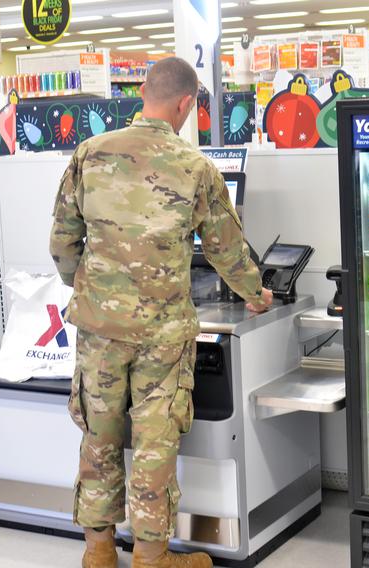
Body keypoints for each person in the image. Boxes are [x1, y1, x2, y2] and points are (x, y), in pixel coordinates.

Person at [50, 57, 273, 568]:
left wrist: (93, 288)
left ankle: (99, 553)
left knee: (99, 436)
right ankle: (152, 560)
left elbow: (63, 243)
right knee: (154, 443)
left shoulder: (89, 153)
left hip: (99, 331)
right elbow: (226, 249)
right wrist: (256, 294)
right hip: (162, 334)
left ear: (143, 90)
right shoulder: (194, 166)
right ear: (187, 104)